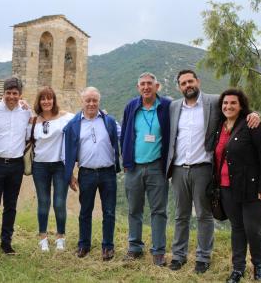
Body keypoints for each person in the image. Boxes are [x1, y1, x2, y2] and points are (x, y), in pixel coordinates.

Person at [166, 69, 260, 274]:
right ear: (179, 87)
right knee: (180, 215)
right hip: (179, 169)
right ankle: (178, 255)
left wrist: (253, 114)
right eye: (183, 83)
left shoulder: (214, 102)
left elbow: (235, 107)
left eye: (190, 81)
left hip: (203, 168)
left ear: (198, 81)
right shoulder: (174, 107)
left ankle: (202, 257)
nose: (187, 85)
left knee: (203, 215)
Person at [214, 89, 261, 283]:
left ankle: (258, 266)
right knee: (237, 228)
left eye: (233, 103)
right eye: (225, 103)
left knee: (253, 228)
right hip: (226, 187)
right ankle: (238, 269)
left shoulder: (251, 124)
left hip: (252, 188)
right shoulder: (219, 125)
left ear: (241, 106)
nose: (228, 106)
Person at [63, 86, 121, 261]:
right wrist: (70, 174)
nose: (91, 103)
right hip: (86, 173)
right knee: (85, 211)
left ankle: (108, 247)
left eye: (94, 100)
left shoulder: (109, 121)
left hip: (108, 173)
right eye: (88, 100)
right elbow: (67, 150)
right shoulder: (74, 125)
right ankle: (84, 245)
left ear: (99, 102)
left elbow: (124, 135)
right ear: (82, 102)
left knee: (109, 211)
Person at [120, 72, 170, 266]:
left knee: (158, 211)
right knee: (134, 209)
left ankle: (158, 251)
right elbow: (124, 133)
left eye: (150, 83)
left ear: (157, 86)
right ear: (138, 87)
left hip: (157, 167)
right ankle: (134, 248)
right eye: (143, 84)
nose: (146, 87)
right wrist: (126, 159)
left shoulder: (166, 106)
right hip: (134, 168)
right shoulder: (132, 106)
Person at [0, 77, 32, 256]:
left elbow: (30, 134)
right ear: (3, 93)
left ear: (20, 95)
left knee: (11, 206)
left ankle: (6, 242)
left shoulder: (25, 112)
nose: (12, 96)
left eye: (15, 93)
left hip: (16, 165)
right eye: (9, 93)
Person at [31, 86, 74, 252]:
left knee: (59, 202)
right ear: (39, 101)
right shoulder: (33, 121)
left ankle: (60, 237)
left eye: (49, 98)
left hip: (59, 166)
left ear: (54, 100)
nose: (46, 101)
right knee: (43, 202)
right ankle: (43, 238)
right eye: (43, 98)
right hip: (39, 165)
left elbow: (84, 118)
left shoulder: (66, 117)